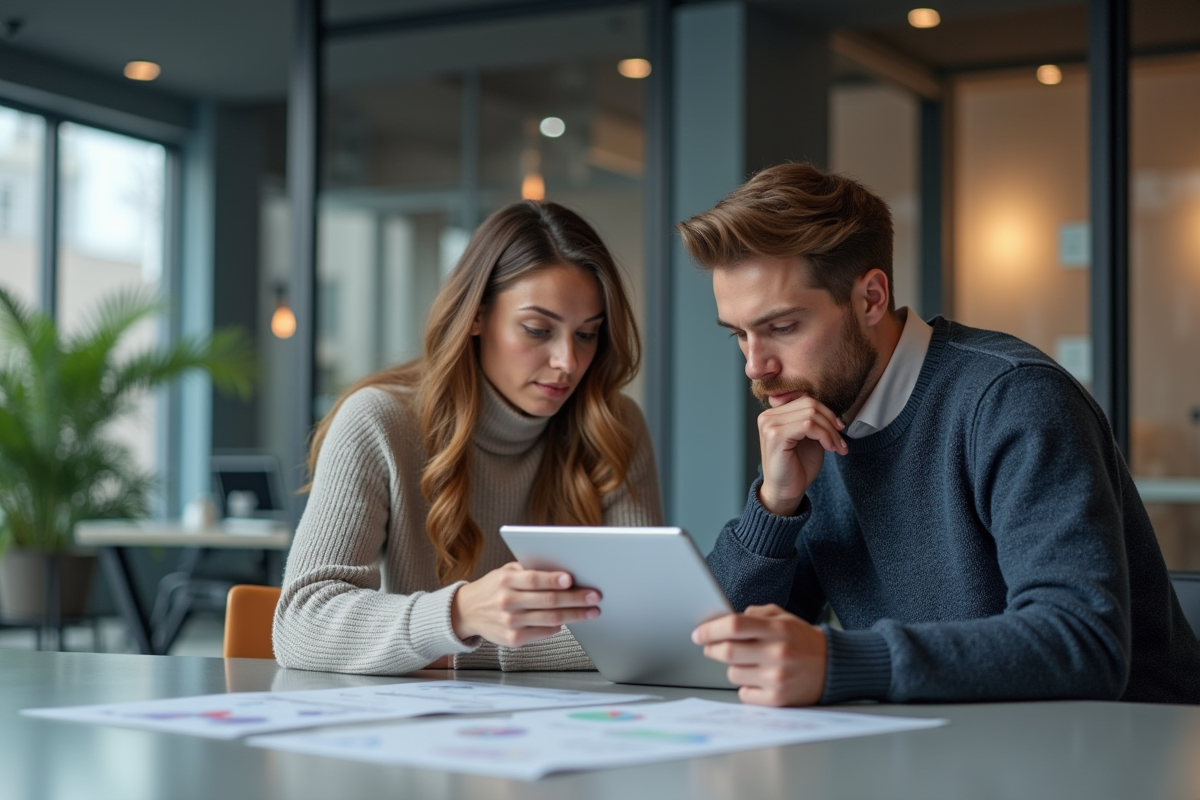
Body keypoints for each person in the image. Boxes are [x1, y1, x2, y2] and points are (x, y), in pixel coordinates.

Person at [679, 162, 1200, 707]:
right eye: (739, 335)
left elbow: (1083, 642)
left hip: (1118, 760)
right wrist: (775, 507)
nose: (755, 367)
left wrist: (845, 661)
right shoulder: (811, 422)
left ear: (871, 297)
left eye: (782, 328)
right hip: (944, 756)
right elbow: (713, 652)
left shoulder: (1012, 399)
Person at [274, 200, 662, 674]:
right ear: (476, 316)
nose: (568, 361)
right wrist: (460, 614)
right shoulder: (379, 420)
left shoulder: (614, 426)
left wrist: (466, 642)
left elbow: (646, 625)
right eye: (538, 329)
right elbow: (300, 623)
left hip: (566, 725)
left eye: (587, 335)